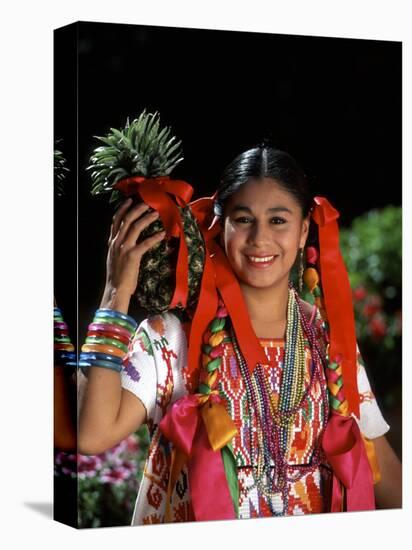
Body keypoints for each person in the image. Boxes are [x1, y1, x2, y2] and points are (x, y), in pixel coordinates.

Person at [78, 145, 402, 524]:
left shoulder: (329, 340)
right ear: (221, 226)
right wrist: (116, 292)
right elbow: (92, 434)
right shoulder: (171, 338)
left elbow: (386, 476)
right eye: (244, 219)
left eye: (278, 220)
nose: (260, 238)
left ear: (303, 231)